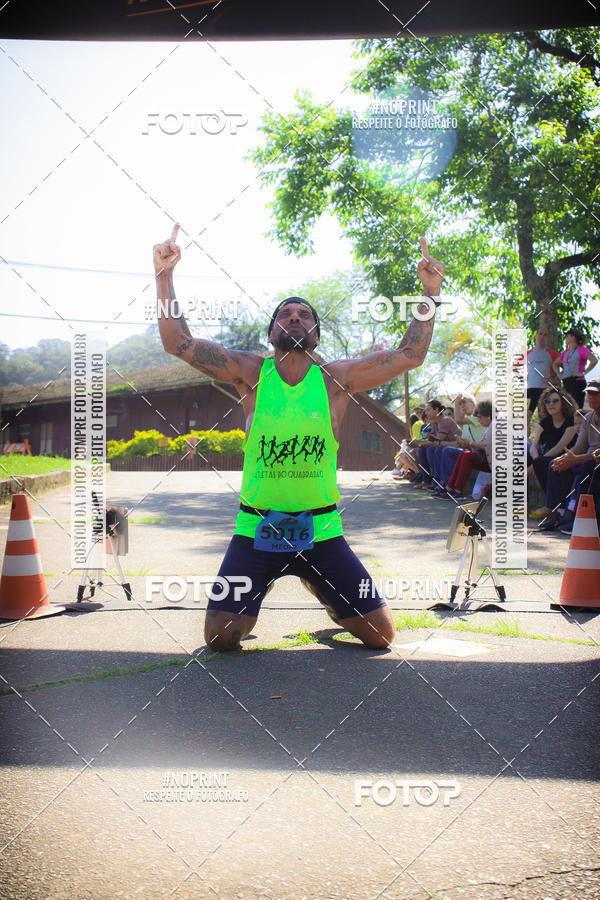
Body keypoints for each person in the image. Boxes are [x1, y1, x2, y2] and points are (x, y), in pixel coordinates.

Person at [154, 226, 445, 650]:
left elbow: (410, 355)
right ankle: (265, 579)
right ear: (271, 332)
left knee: (381, 635)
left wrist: (430, 292)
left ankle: (319, 585)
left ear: (316, 335)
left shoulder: (335, 379)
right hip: (257, 529)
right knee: (220, 637)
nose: (294, 317)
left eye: (304, 315)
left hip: (321, 531)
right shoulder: (250, 373)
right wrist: (164, 274)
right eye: (285, 314)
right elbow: (177, 342)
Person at [539, 380, 600, 534]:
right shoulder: (589, 418)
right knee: (555, 464)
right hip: (588, 458)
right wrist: (566, 458)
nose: (591, 397)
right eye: (589, 393)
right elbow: (580, 446)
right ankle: (558, 512)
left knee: (588, 465)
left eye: (596, 394)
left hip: (595, 461)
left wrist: (576, 459)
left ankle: (579, 516)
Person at [528, 387, 578, 518]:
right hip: (546, 459)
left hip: (566, 459)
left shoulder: (571, 422)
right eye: (547, 401)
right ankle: (525, 503)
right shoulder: (545, 422)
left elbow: (560, 447)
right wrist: (535, 461)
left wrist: (536, 463)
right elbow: (534, 446)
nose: (551, 404)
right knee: (530, 461)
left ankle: (552, 507)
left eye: (555, 401)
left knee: (542, 463)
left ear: (564, 402)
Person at [429, 398, 489, 496]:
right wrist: (463, 443)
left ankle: (453, 489)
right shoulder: (466, 424)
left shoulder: (477, 416)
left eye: (465, 402)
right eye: (460, 404)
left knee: (450, 451)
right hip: (475, 451)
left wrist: (456, 403)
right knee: (439, 450)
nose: (462, 405)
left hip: (484, 455)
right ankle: (445, 485)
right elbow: (463, 444)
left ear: (474, 404)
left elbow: (458, 420)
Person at [411, 400, 461, 489]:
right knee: (422, 449)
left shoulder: (445, 420)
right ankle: (427, 481)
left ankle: (439, 481)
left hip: (454, 446)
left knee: (432, 449)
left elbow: (438, 439)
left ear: (437, 410)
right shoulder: (434, 422)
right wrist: (418, 444)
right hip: (443, 445)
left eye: (428, 410)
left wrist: (419, 443)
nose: (426, 413)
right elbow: (431, 439)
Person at [551, 328, 597, 411]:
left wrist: (583, 373)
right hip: (566, 382)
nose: (565, 338)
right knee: (566, 409)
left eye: (567, 336)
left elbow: (594, 360)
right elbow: (555, 364)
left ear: (573, 337)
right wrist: (559, 375)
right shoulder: (566, 352)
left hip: (577, 382)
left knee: (576, 410)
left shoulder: (581, 350)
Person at [526, 328, 560, 425]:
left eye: (545, 335)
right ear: (536, 336)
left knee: (544, 417)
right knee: (525, 416)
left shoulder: (552, 354)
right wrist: (521, 377)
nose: (542, 337)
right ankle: (525, 435)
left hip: (545, 390)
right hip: (530, 390)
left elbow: (565, 368)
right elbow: (514, 367)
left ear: (547, 338)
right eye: (540, 334)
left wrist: (555, 380)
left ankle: (544, 435)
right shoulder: (528, 354)